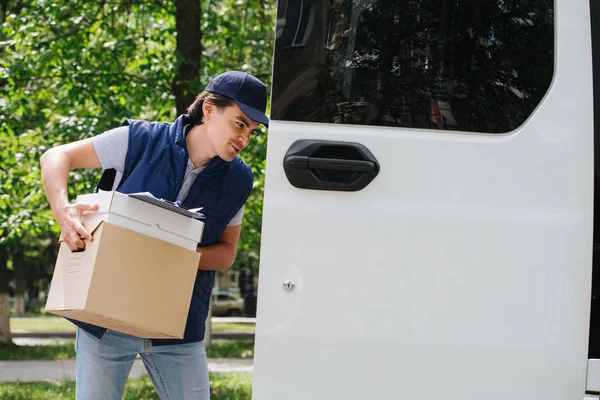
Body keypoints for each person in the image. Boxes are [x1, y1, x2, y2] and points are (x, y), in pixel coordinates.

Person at [40, 71, 269, 399]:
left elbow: (227, 251)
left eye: (252, 130)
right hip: (106, 317)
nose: (244, 138)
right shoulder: (139, 140)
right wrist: (63, 212)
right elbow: (56, 157)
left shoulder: (239, 180)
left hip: (179, 328)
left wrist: (169, 252)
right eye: (239, 123)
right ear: (208, 110)